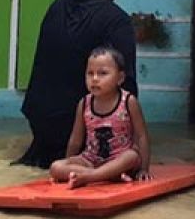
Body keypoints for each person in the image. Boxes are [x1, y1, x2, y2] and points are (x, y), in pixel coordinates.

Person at [16, 0, 138, 168]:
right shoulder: (116, 20)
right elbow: (126, 82)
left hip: (40, 119)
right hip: (83, 127)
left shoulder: (58, 5)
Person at [50, 46, 152, 188]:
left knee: (132, 156)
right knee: (55, 167)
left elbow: (141, 137)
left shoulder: (128, 101)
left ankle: (91, 176)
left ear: (120, 78)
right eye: (90, 73)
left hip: (119, 160)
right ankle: (105, 175)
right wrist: (69, 164)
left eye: (103, 73)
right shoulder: (84, 103)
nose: (95, 79)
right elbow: (75, 140)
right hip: (90, 160)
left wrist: (144, 169)